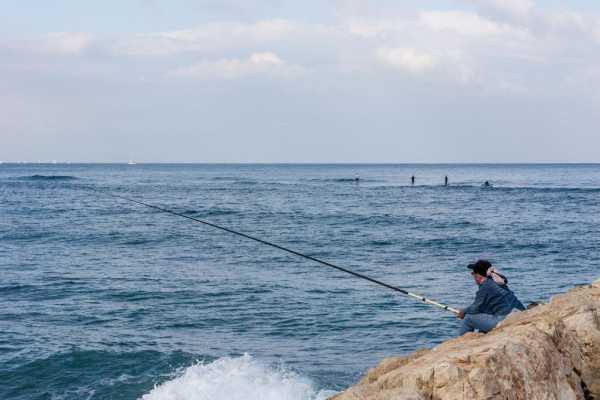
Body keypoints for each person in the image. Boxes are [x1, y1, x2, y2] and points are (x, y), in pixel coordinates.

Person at [458, 260, 525, 335]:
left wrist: (464, 311)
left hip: (507, 319)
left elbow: (475, 308)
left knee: (468, 318)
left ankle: (463, 343)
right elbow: (484, 308)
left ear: (479, 275)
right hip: (519, 314)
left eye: (473, 273)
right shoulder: (497, 280)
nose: (472, 275)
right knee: (484, 316)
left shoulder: (486, 286)